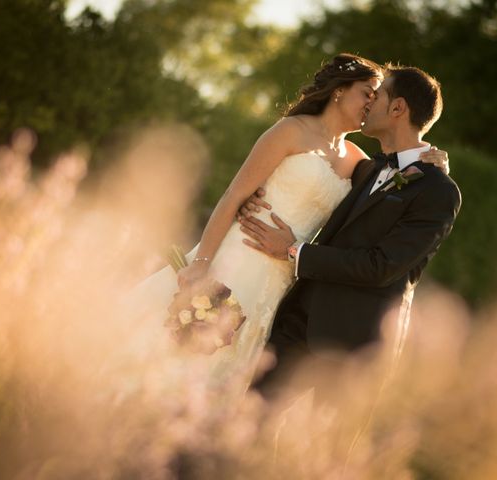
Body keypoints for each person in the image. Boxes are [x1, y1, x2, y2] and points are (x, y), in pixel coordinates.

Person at [129, 53, 449, 389]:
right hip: (238, 258)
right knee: (178, 355)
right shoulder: (290, 131)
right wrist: (202, 263)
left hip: (282, 279)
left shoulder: (360, 162)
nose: (371, 103)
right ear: (340, 91)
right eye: (366, 93)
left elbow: (393, 182)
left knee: (229, 373)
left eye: (376, 96)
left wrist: (433, 162)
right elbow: (233, 197)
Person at [237, 64, 462, 398]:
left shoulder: (438, 191)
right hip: (299, 323)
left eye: (378, 95)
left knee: (318, 450)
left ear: (398, 108)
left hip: (355, 350)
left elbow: (381, 265)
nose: (368, 103)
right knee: (248, 419)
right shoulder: (369, 169)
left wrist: (294, 250)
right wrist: (255, 196)